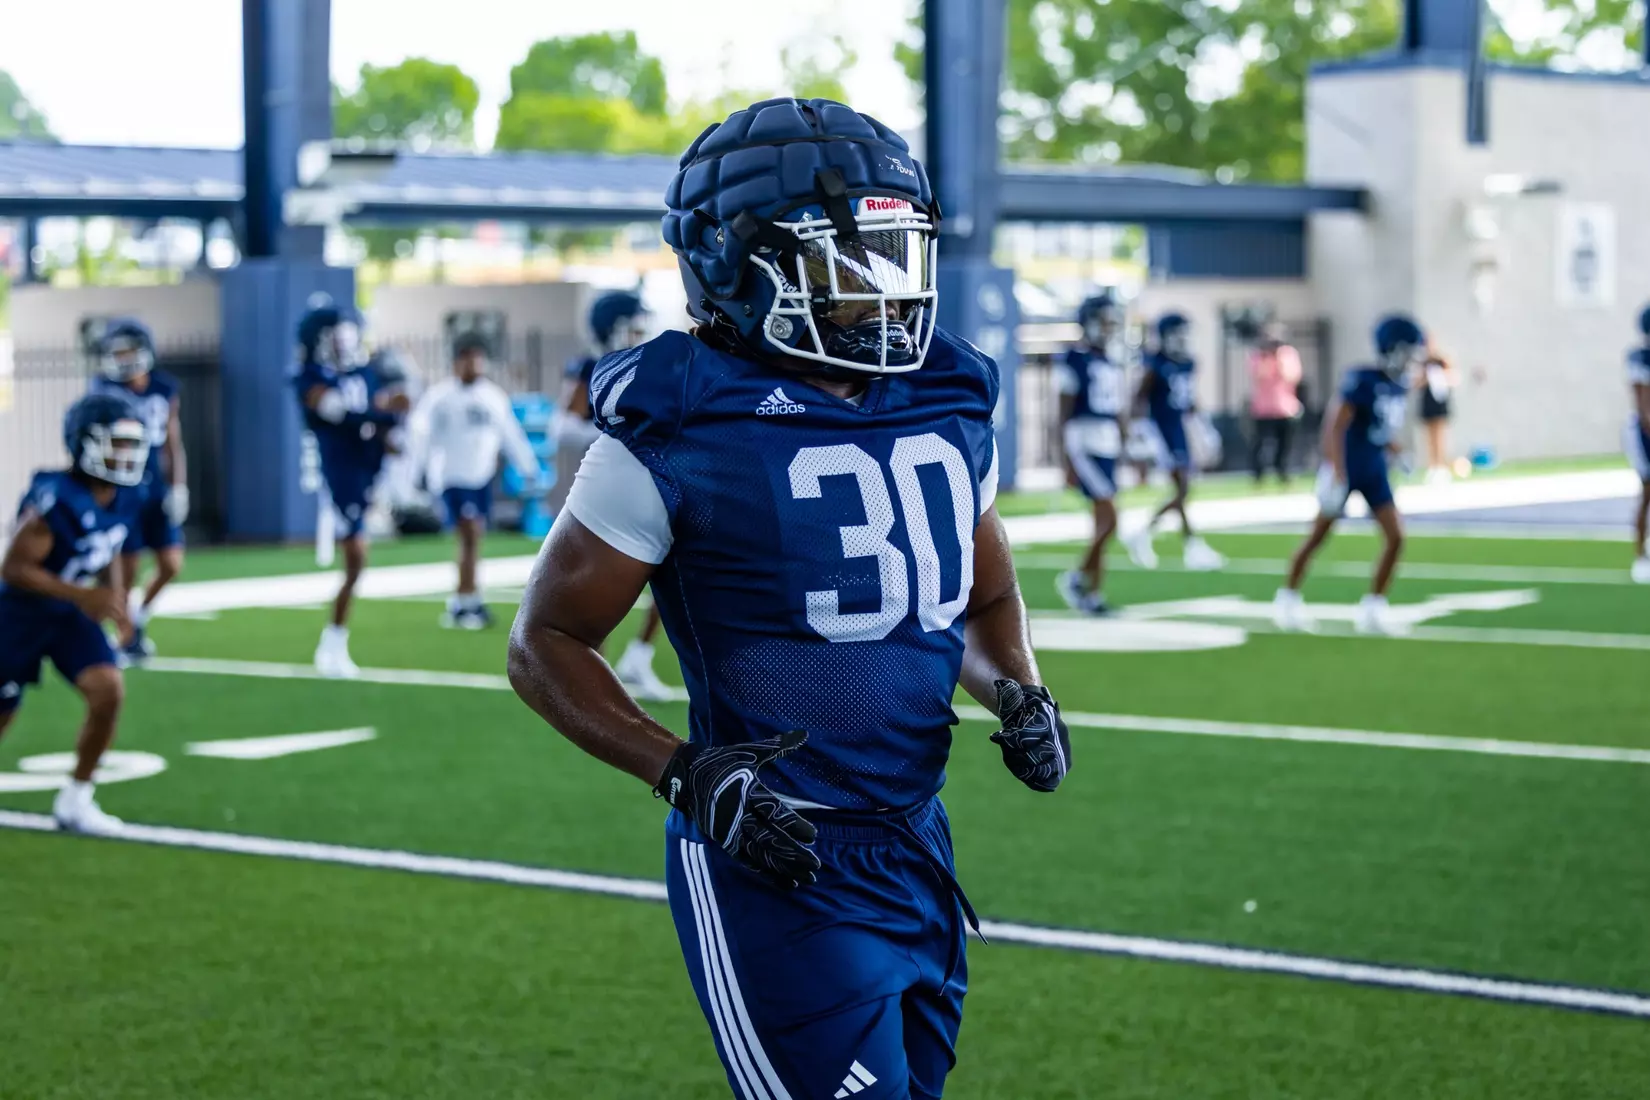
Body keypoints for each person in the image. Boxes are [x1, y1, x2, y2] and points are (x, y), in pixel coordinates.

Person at [508, 96, 1073, 1100]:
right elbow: (546, 638)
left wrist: (1018, 688)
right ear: (736, 261)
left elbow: (980, 597)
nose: (881, 290)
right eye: (845, 261)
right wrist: (684, 771)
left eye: (894, 255)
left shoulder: (944, 394)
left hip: (915, 838)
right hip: (776, 854)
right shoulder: (680, 420)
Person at [0, 393, 149, 834]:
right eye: (116, 443)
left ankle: (76, 799)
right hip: (20, 614)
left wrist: (117, 600)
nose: (125, 454)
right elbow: (14, 567)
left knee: (108, 691)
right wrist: (82, 597)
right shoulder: (55, 497)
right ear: (85, 443)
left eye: (130, 444)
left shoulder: (123, 496)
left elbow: (110, 547)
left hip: (68, 613)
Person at [1273, 314, 1425, 636]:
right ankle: (1287, 597)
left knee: (1396, 537)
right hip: (1348, 468)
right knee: (1317, 537)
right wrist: (1335, 469)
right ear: (1392, 349)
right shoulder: (1363, 379)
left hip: (1374, 469)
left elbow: (1380, 430)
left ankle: (1374, 607)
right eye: (1408, 350)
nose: (1413, 357)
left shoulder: (1398, 385)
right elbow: (1334, 425)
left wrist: (1399, 454)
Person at [562, 289, 672, 700]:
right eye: (631, 323)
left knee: (677, 581)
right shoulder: (591, 367)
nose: (640, 330)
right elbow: (564, 425)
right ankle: (599, 679)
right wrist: (618, 436)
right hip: (605, 492)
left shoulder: (649, 363)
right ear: (610, 329)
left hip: (652, 483)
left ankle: (639, 657)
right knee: (597, 591)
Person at [293, 298, 410, 678]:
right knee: (356, 557)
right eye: (333, 334)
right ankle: (333, 641)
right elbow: (338, 412)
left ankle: (334, 641)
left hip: (370, 467)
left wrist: (391, 424)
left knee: (359, 559)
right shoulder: (309, 377)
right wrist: (385, 413)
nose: (343, 340)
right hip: (340, 471)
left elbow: (381, 413)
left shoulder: (366, 370)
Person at [406, 332, 542, 629]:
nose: (473, 364)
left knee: (473, 539)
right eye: (467, 358)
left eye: (477, 358)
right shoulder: (440, 397)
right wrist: (417, 473)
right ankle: (466, 601)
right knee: (470, 533)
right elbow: (421, 436)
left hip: (480, 477)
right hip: (452, 477)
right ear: (456, 362)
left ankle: (464, 600)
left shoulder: (493, 396)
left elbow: (510, 435)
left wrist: (528, 466)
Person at [88, 318, 187, 664]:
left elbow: (172, 440)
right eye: (119, 352)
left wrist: (179, 486)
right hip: (122, 488)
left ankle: (137, 619)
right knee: (125, 570)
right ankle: (123, 635)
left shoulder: (163, 387)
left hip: (155, 484)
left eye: (130, 350)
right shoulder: (103, 390)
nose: (124, 358)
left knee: (172, 563)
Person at [1124, 313, 1226, 571]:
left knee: (1182, 488)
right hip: (1160, 429)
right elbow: (1138, 398)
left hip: (1178, 428)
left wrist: (1205, 427)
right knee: (1182, 487)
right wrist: (1138, 431)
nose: (1182, 338)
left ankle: (1147, 535)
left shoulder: (1188, 362)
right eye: (1177, 333)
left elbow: (1189, 400)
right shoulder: (1155, 364)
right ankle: (1188, 543)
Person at [1056, 292, 1129, 614]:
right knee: (1111, 519)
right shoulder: (1075, 357)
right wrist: (1066, 459)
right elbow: (1064, 411)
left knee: (1103, 522)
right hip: (1084, 439)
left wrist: (1126, 444)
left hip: (1107, 441)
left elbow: (1116, 408)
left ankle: (1093, 595)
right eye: (1105, 320)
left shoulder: (1109, 358)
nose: (1110, 326)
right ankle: (1075, 578)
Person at [1247, 320, 1302, 485]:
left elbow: (1292, 376)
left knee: (1284, 444)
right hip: (1262, 409)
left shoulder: (1288, 354)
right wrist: (1266, 358)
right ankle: (1258, 475)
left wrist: (1278, 357)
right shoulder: (1257, 356)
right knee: (1260, 443)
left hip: (1286, 408)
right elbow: (1258, 376)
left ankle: (1282, 472)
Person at [1626, 307, 1650, 583]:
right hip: (1644, 434)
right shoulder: (1640, 358)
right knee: (1647, 492)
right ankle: (1640, 555)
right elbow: (1644, 407)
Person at [1418, 341, 1459, 484]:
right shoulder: (1422, 363)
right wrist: (1425, 378)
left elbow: (1454, 379)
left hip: (1440, 401)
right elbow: (1415, 383)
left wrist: (1441, 375)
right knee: (1429, 438)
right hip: (1427, 401)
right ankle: (1432, 467)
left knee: (1440, 436)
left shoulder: (1442, 361)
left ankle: (1442, 467)